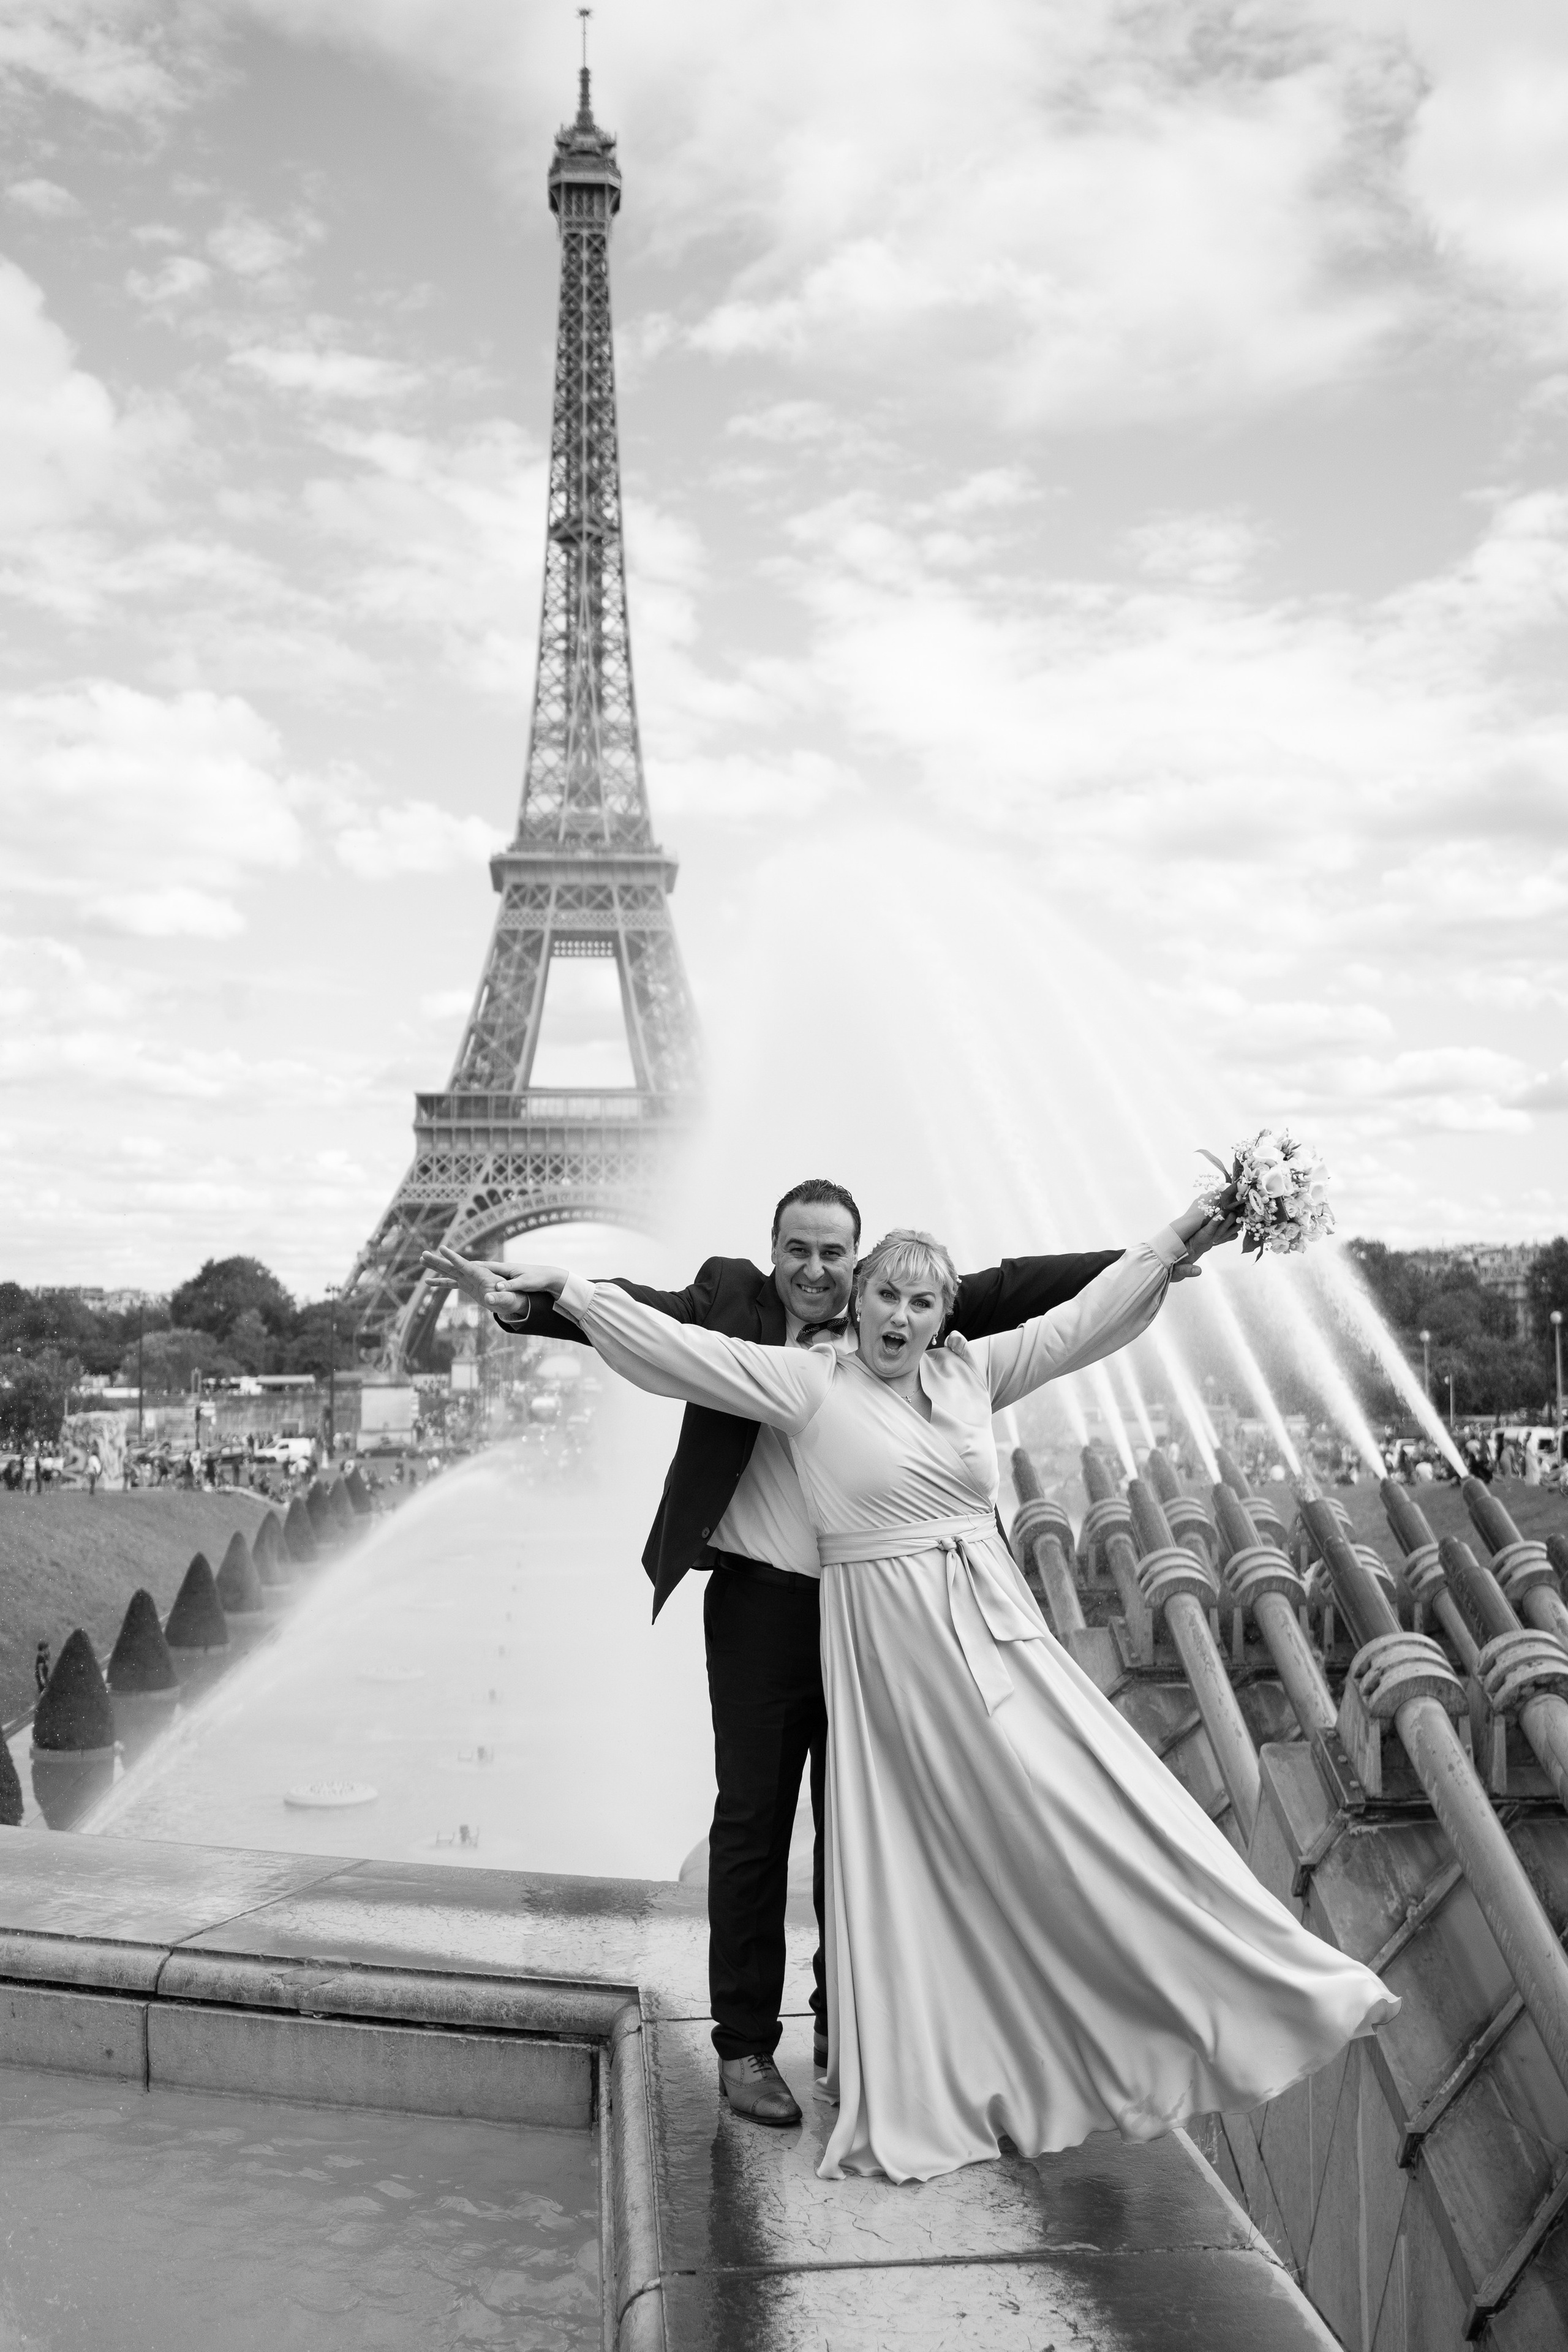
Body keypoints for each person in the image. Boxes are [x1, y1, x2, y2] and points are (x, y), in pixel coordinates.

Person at [475, 1200, 1394, 2185]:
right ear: (845, 1294)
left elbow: (1070, 1326)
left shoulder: (967, 1369)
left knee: (1056, 1811)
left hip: (979, 1633)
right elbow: (669, 1342)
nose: (880, 1303)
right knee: (797, 1829)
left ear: (933, 1307)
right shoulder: (805, 1377)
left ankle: (1166, 1989)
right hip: (823, 1626)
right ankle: (774, 2045)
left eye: (913, 1296)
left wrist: (1177, 1243)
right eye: (865, 1284)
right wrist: (560, 1293)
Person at [429, 1183, 1169, 2127]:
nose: (815, 1270)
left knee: (862, 1825)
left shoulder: (896, 1327)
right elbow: (652, 1326)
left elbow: (1021, 1289)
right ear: (772, 1251)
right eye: (798, 1250)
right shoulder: (733, 1307)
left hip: (879, 1614)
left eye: (834, 1254)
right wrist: (535, 1298)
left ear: (859, 1266)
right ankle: (744, 2048)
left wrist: (1157, 1256)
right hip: (760, 1610)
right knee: (753, 1829)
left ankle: (845, 2029)